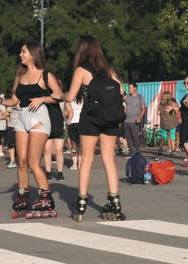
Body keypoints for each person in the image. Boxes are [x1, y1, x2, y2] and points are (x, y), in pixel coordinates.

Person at [0, 42, 63, 219]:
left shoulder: (45, 75)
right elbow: (14, 100)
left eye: (23, 51)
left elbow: (60, 95)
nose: (20, 54)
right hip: (21, 117)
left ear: (33, 53)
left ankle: (46, 198)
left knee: (32, 161)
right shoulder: (21, 75)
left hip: (38, 116)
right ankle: (23, 197)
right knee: (21, 161)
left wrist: (44, 98)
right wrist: (0, 101)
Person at [60, 35, 126, 222]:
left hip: (91, 119)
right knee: (109, 160)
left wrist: (59, 96)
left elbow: (71, 96)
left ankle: (81, 205)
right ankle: (115, 203)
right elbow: (121, 91)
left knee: (86, 160)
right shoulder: (109, 70)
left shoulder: (81, 70)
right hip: (111, 119)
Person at [43, 101, 70, 181]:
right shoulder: (43, 98)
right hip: (47, 127)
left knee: (59, 151)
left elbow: (68, 111)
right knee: (47, 150)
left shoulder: (61, 99)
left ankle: (60, 172)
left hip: (59, 126)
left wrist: (68, 117)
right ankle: (48, 172)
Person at [124, 82, 146, 157]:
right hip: (126, 120)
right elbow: (125, 107)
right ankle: (131, 152)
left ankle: (137, 152)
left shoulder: (140, 97)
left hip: (135, 121)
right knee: (128, 137)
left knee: (135, 137)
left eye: (130, 88)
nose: (129, 89)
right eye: (128, 88)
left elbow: (143, 109)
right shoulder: (127, 97)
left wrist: (139, 118)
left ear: (135, 88)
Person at [68, 89, 84, 170]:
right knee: (81, 145)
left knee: (74, 145)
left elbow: (66, 112)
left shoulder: (69, 99)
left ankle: (74, 163)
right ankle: (80, 164)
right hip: (82, 123)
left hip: (72, 122)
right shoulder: (84, 99)